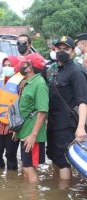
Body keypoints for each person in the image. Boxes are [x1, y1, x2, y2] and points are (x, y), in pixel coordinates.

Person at [45, 36, 87, 180]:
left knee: (63, 160)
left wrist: (80, 127)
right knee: (53, 155)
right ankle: (55, 186)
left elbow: (83, 102)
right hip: (53, 122)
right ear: (54, 50)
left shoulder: (77, 72)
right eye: (59, 48)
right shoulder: (55, 70)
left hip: (67, 124)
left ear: (73, 51)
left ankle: (62, 192)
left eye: (66, 48)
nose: (62, 51)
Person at [16, 53, 48, 183]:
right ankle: (29, 193)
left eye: (24, 63)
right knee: (26, 166)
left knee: (29, 167)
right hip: (24, 130)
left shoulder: (39, 84)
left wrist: (33, 135)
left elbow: (42, 111)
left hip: (31, 134)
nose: (21, 65)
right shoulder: (27, 81)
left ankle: (33, 194)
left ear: (29, 67)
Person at [0, 56, 22, 170]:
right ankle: (0, 176)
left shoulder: (21, 83)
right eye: (5, 65)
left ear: (16, 67)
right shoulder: (0, 81)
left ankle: (12, 181)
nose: (7, 68)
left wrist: (19, 128)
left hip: (13, 125)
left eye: (10, 65)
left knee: (10, 155)